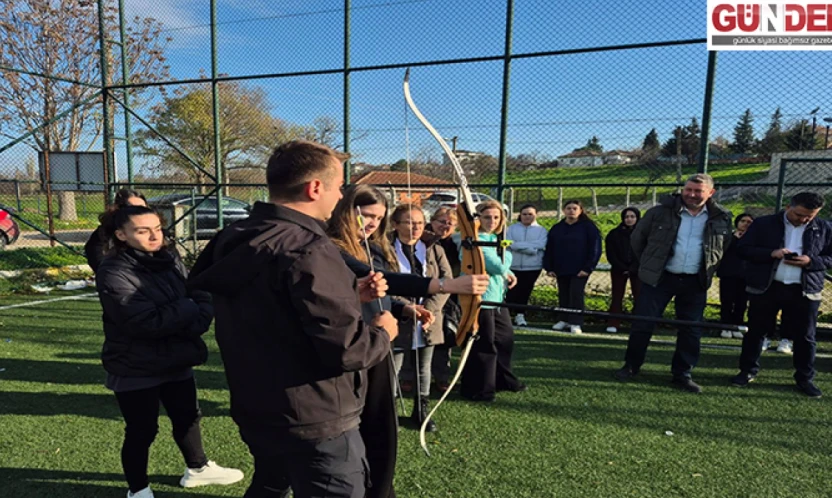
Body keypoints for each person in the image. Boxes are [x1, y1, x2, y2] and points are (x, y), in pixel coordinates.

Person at [188, 140, 398, 498]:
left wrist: (350, 294)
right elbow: (348, 350)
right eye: (338, 188)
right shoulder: (309, 248)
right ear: (315, 188)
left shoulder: (235, 235)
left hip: (259, 408)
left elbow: (274, 308)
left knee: (271, 485)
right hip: (316, 420)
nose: (340, 197)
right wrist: (383, 331)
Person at [326, 184, 486, 498]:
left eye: (378, 218)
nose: (371, 223)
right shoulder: (331, 248)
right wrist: (448, 284)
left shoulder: (371, 247)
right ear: (346, 211)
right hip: (351, 346)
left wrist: (403, 308)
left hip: (376, 341)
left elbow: (380, 291)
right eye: (365, 215)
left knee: (378, 431)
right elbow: (380, 279)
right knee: (352, 433)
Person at [95, 205, 243, 498]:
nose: (154, 236)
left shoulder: (170, 257)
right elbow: (144, 322)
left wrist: (195, 315)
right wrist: (188, 309)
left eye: (158, 229)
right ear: (121, 235)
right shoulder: (113, 270)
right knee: (142, 430)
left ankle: (197, 469)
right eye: (143, 231)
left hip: (177, 356)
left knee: (188, 417)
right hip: (135, 365)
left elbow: (198, 292)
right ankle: (138, 489)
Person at [614, 173, 732, 393]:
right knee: (643, 324)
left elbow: (723, 246)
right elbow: (638, 239)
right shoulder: (659, 212)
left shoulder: (722, 217)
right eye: (688, 189)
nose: (691, 195)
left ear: (711, 193)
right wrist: (650, 264)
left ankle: (682, 374)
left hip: (695, 281)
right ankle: (631, 366)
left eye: (698, 191)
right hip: (660, 278)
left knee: (691, 330)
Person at [731, 192, 832, 398]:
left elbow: (830, 257)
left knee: (806, 336)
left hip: (805, 289)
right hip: (766, 287)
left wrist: (811, 262)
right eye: (799, 214)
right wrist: (771, 254)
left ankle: (805, 378)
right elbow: (743, 249)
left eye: (810, 216)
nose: (803, 219)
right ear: (788, 207)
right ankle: (747, 371)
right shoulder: (763, 224)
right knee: (756, 331)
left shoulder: (824, 228)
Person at [390, 203, 452, 432]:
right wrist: (408, 308)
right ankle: (389, 413)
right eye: (408, 222)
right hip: (397, 317)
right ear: (395, 225)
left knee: (423, 367)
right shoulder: (384, 248)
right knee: (393, 367)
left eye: (419, 223)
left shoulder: (434, 248)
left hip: (429, 319)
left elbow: (446, 281)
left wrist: (430, 310)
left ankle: (421, 412)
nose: (415, 227)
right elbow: (385, 282)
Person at [461, 200, 526, 402]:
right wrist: (507, 260)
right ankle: (480, 389)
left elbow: (501, 267)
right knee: (485, 345)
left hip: (497, 299)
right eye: (487, 217)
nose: (492, 221)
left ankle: (503, 379)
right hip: (482, 299)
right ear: (478, 219)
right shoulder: (476, 240)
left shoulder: (492, 238)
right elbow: (497, 265)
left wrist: (507, 270)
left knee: (505, 340)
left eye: (496, 217)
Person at [543, 200, 602, 334]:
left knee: (576, 294)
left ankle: (576, 322)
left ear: (580, 210)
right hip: (561, 267)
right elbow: (549, 248)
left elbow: (595, 249)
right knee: (563, 293)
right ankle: (564, 319)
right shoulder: (557, 228)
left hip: (580, 269)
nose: (571, 211)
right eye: (568, 208)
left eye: (575, 208)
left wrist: (588, 268)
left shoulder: (588, 227)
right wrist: (549, 267)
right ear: (564, 210)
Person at [425, 207, 461, 393]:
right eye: (442, 222)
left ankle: (441, 376)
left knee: (445, 336)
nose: (445, 226)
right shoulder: (423, 240)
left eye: (450, 224)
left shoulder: (455, 245)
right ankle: (409, 375)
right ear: (432, 221)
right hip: (424, 290)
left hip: (447, 296)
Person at [85, 188, 147, 272]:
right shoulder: (107, 229)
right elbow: (95, 254)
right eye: (132, 208)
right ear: (119, 208)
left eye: (143, 209)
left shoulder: (153, 228)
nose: (139, 212)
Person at [506, 204, 547, 327]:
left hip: (532, 267)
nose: (527, 216)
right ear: (520, 215)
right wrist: (530, 249)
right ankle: (506, 315)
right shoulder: (511, 229)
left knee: (525, 291)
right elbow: (509, 243)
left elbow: (540, 244)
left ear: (536, 215)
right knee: (510, 291)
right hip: (513, 266)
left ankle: (520, 315)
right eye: (524, 214)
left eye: (530, 214)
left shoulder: (542, 230)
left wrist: (518, 245)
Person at [604, 207, 642, 333]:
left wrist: (634, 267)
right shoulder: (614, 234)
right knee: (617, 296)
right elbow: (611, 253)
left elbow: (645, 252)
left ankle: (638, 323)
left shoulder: (644, 234)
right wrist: (622, 267)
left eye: (632, 217)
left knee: (640, 296)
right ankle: (613, 323)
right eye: (626, 217)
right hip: (618, 269)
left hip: (638, 271)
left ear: (637, 218)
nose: (629, 219)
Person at [717, 213, 754, 339]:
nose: (745, 224)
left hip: (745, 275)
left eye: (749, 222)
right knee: (727, 301)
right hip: (728, 274)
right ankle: (725, 326)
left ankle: (737, 325)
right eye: (743, 221)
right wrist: (734, 238)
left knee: (741, 303)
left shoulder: (754, 238)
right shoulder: (728, 236)